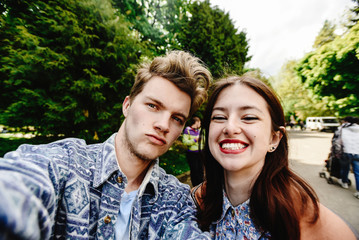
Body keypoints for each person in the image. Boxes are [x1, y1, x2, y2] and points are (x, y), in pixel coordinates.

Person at [0, 51, 212, 239]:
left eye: (177, 118)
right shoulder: (63, 164)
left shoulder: (174, 200)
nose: (164, 125)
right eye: (153, 106)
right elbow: (17, 188)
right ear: (127, 106)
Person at [191, 75, 357, 239]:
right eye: (219, 117)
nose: (230, 127)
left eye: (249, 117)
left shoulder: (305, 215)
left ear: (274, 138)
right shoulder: (194, 201)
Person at [338, 116, 359, 198]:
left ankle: (344, 182)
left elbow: (337, 139)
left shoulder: (343, 128)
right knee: (357, 172)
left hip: (346, 151)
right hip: (357, 152)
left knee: (345, 168)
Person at [182, 116, 204, 186]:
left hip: (200, 153)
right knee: (194, 170)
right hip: (192, 154)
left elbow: (204, 141)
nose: (200, 124)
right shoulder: (187, 130)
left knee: (201, 170)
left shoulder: (200, 130)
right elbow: (185, 142)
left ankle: (201, 186)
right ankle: (195, 186)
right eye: (199, 122)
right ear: (196, 122)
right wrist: (195, 140)